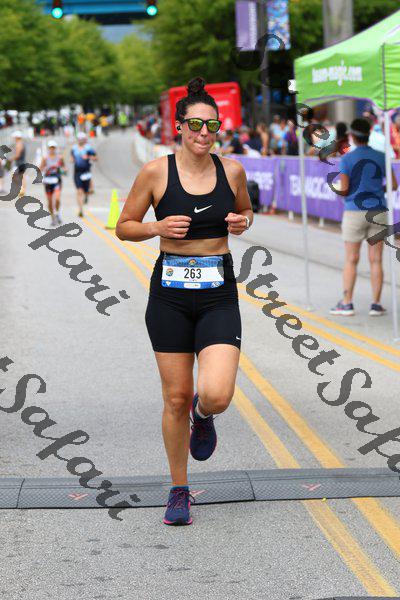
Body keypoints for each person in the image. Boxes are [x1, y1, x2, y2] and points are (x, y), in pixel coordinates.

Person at [116, 76, 253, 526]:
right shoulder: (156, 172)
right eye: (195, 124)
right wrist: (156, 228)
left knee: (216, 393)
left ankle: (203, 413)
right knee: (174, 397)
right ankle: (179, 489)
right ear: (179, 126)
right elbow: (124, 226)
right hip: (170, 296)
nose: (203, 133)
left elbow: (246, 210)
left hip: (218, 294)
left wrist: (243, 222)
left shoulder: (232, 171)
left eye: (212, 125)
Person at [330, 118, 398, 317]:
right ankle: (376, 304)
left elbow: (344, 189)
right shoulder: (381, 156)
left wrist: (338, 189)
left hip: (354, 211)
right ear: (369, 134)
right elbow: (394, 185)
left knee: (351, 259)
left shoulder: (347, 158)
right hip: (378, 211)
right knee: (376, 260)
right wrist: (377, 189)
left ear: (352, 135)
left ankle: (347, 303)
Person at [71, 132, 97, 217]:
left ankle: (86, 195)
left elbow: (96, 158)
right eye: (79, 139)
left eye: (82, 139)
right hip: (77, 172)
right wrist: (72, 160)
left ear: (85, 139)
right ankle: (81, 210)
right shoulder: (74, 148)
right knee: (79, 191)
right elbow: (72, 157)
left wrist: (89, 157)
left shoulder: (88, 148)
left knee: (86, 191)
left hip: (86, 172)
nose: (81, 140)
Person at [40, 140, 66, 226]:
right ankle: (52, 217)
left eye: (53, 148)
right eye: (50, 148)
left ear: (55, 148)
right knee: (50, 201)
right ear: (48, 148)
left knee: (57, 199)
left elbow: (64, 167)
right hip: (48, 181)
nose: (52, 149)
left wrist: (64, 170)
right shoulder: (45, 158)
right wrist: (44, 169)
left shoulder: (60, 158)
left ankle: (57, 213)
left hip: (57, 180)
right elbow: (40, 168)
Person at [10, 131, 27, 196]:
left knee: (16, 176)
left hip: (19, 163)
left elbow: (17, 155)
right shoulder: (21, 143)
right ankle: (22, 189)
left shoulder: (19, 144)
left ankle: (21, 189)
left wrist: (11, 159)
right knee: (21, 176)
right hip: (21, 163)